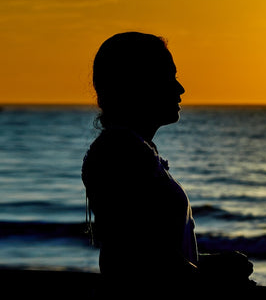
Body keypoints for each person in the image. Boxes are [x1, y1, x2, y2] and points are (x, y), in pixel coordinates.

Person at [81, 32, 254, 297]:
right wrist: (214, 278)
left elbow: (152, 250)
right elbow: (144, 265)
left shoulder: (132, 150)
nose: (180, 88)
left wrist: (206, 262)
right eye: (169, 77)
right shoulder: (122, 155)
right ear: (139, 84)